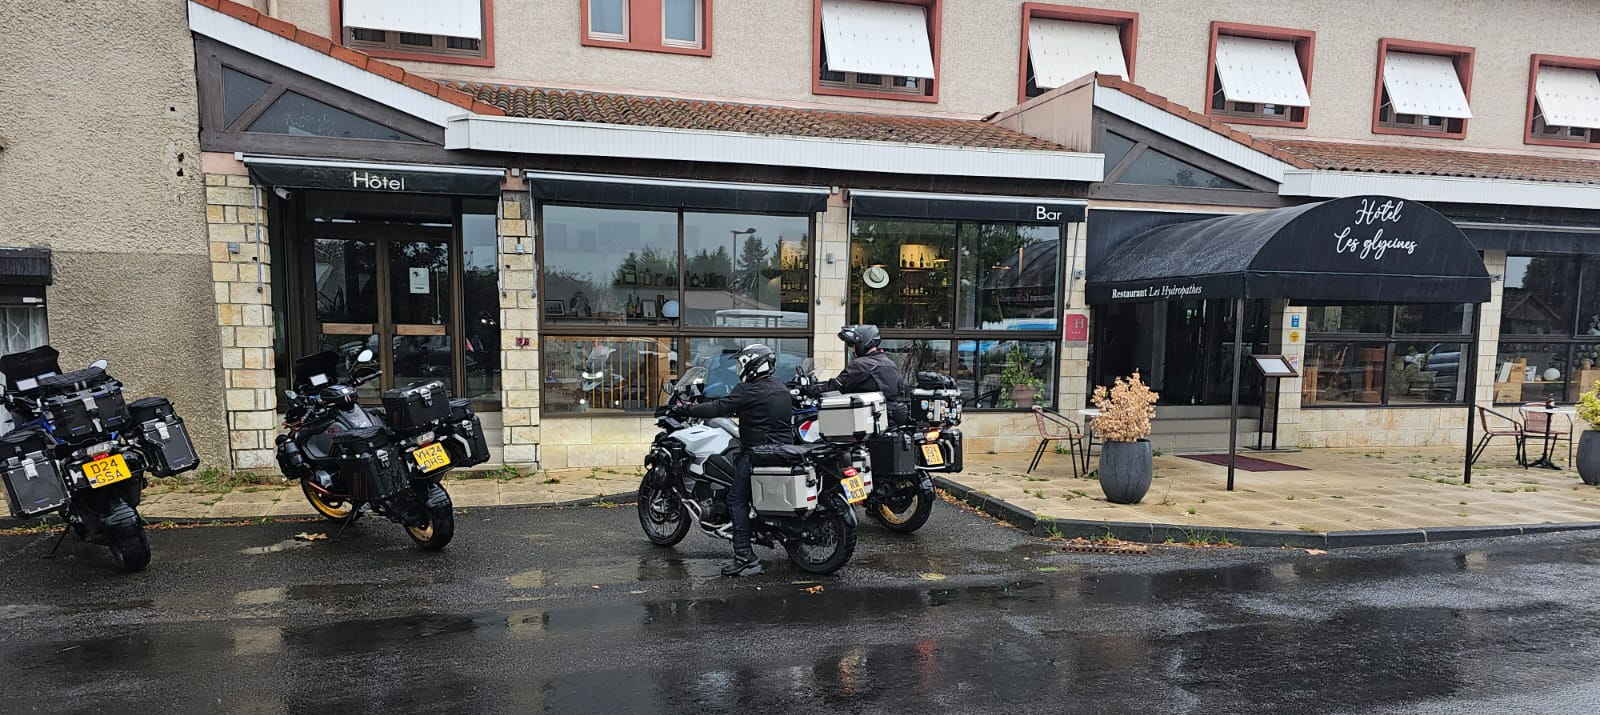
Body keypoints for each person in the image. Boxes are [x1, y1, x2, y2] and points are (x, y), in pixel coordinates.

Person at [670, 343, 792, 577]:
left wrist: (685, 410)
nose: (739, 368)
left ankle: (745, 556)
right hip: (784, 450)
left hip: (758, 453)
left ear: (751, 364)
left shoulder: (747, 390)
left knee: (737, 500)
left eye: (741, 363)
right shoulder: (780, 388)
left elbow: (719, 407)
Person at [804, 324, 904, 398]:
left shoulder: (861, 365)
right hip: (887, 417)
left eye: (854, 345)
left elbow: (836, 386)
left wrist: (806, 389)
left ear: (863, 343)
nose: (853, 349)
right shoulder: (890, 364)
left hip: (865, 419)